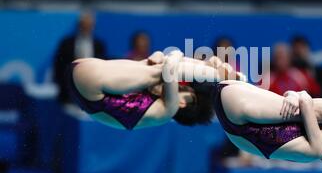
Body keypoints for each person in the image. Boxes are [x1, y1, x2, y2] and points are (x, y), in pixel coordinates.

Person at [68, 50, 244, 130]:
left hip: (88, 85)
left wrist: (216, 74)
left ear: (183, 101)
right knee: (153, 67)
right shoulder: (155, 95)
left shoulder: (168, 110)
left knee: (160, 71)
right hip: (81, 81)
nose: (180, 84)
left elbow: (170, 64)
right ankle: (215, 73)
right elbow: (163, 58)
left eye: (183, 87)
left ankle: (219, 76)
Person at [54, 12, 106, 104]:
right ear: (79, 25)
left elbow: (103, 67)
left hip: (91, 88)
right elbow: (58, 66)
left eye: (89, 25)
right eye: (84, 25)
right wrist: (61, 84)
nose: (86, 28)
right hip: (69, 89)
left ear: (93, 26)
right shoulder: (66, 43)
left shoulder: (99, 45)